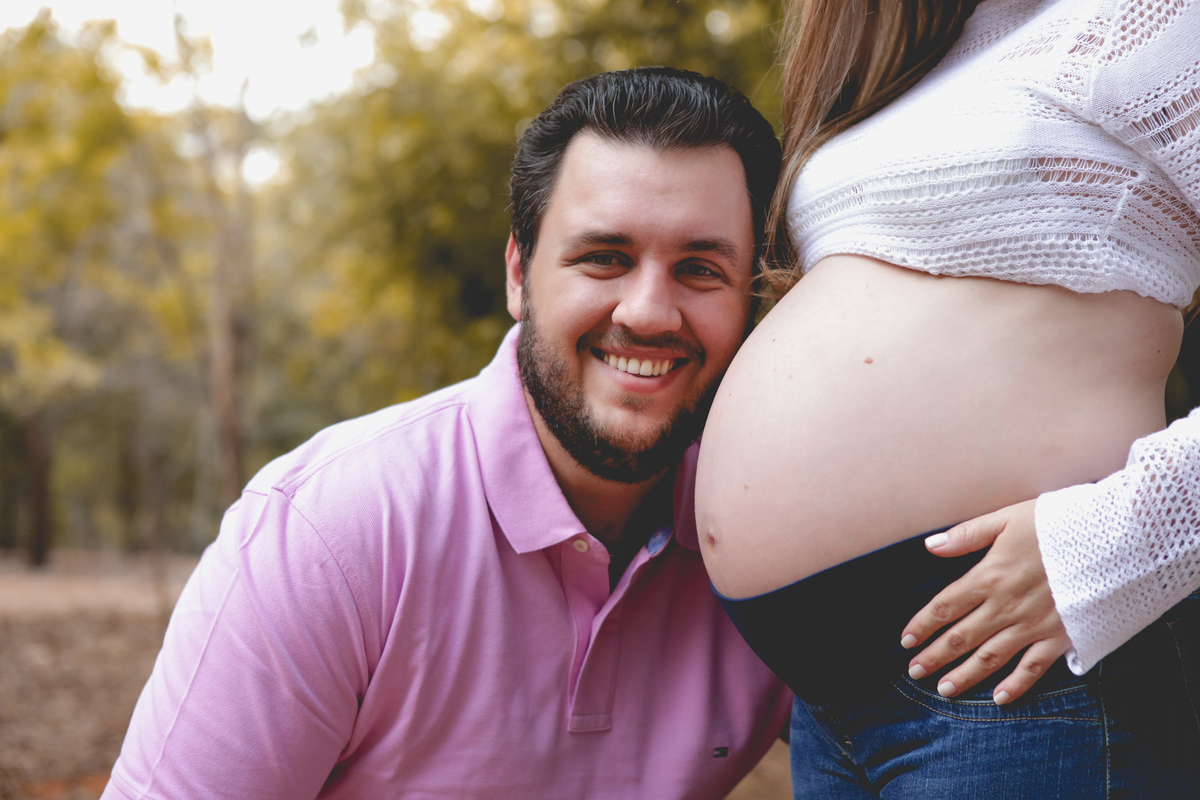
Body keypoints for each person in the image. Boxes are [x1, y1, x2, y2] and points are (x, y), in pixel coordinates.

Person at [99, 68, 792, 800]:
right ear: (519, 275)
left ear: (752, 299)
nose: (650, 312)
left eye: (700, 269)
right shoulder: (329, 533)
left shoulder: (779, 542)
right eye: (604, 258)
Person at [695, 0, 1200, 797]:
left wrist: (1115, 545)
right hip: (836, 712)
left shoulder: (1150, 19)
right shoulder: (911, 55)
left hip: (1022, 678)